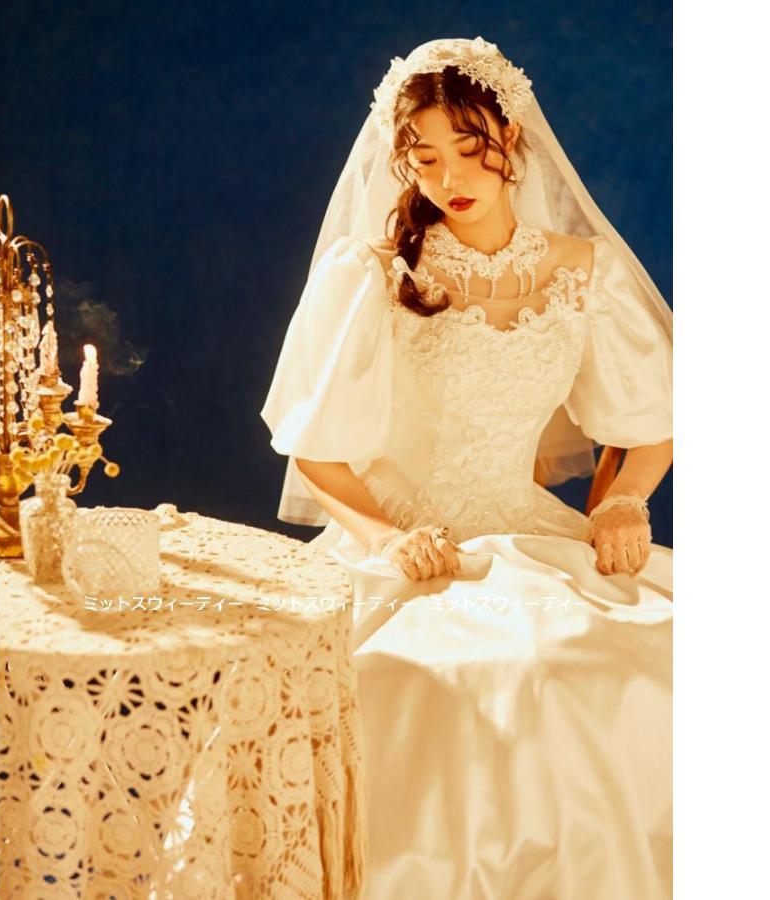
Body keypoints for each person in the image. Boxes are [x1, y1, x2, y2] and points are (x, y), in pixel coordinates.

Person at [260, 37, 672, 900]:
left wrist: (624, 501)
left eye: (468, 147)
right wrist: (388, 539)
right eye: (425, 157)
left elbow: (653, 422)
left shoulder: (582, 274)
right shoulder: (374, 275)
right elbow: (315, 449)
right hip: (402, 549)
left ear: (509, 137)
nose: (449, 175)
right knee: (462, 681)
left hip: (527, 536)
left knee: (642, 660)